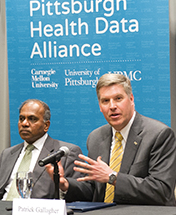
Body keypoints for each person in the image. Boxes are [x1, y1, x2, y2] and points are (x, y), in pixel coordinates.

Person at [46, 73, 176, 206]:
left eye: (118, 98)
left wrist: (112, 177)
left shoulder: (158, 134)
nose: (112, 106)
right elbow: (93, 191)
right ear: (100, 106)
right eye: (105, 101)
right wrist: (65, 184)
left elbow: (162, 191)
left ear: (131, 99)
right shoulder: (95, 137)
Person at [0, 99, 83, 200]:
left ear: (46, 125)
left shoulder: (65, 153)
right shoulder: (7, 154)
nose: (24, 124)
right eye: (21, 118)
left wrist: (62, 185)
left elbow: (81, 193)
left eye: (32, 119)